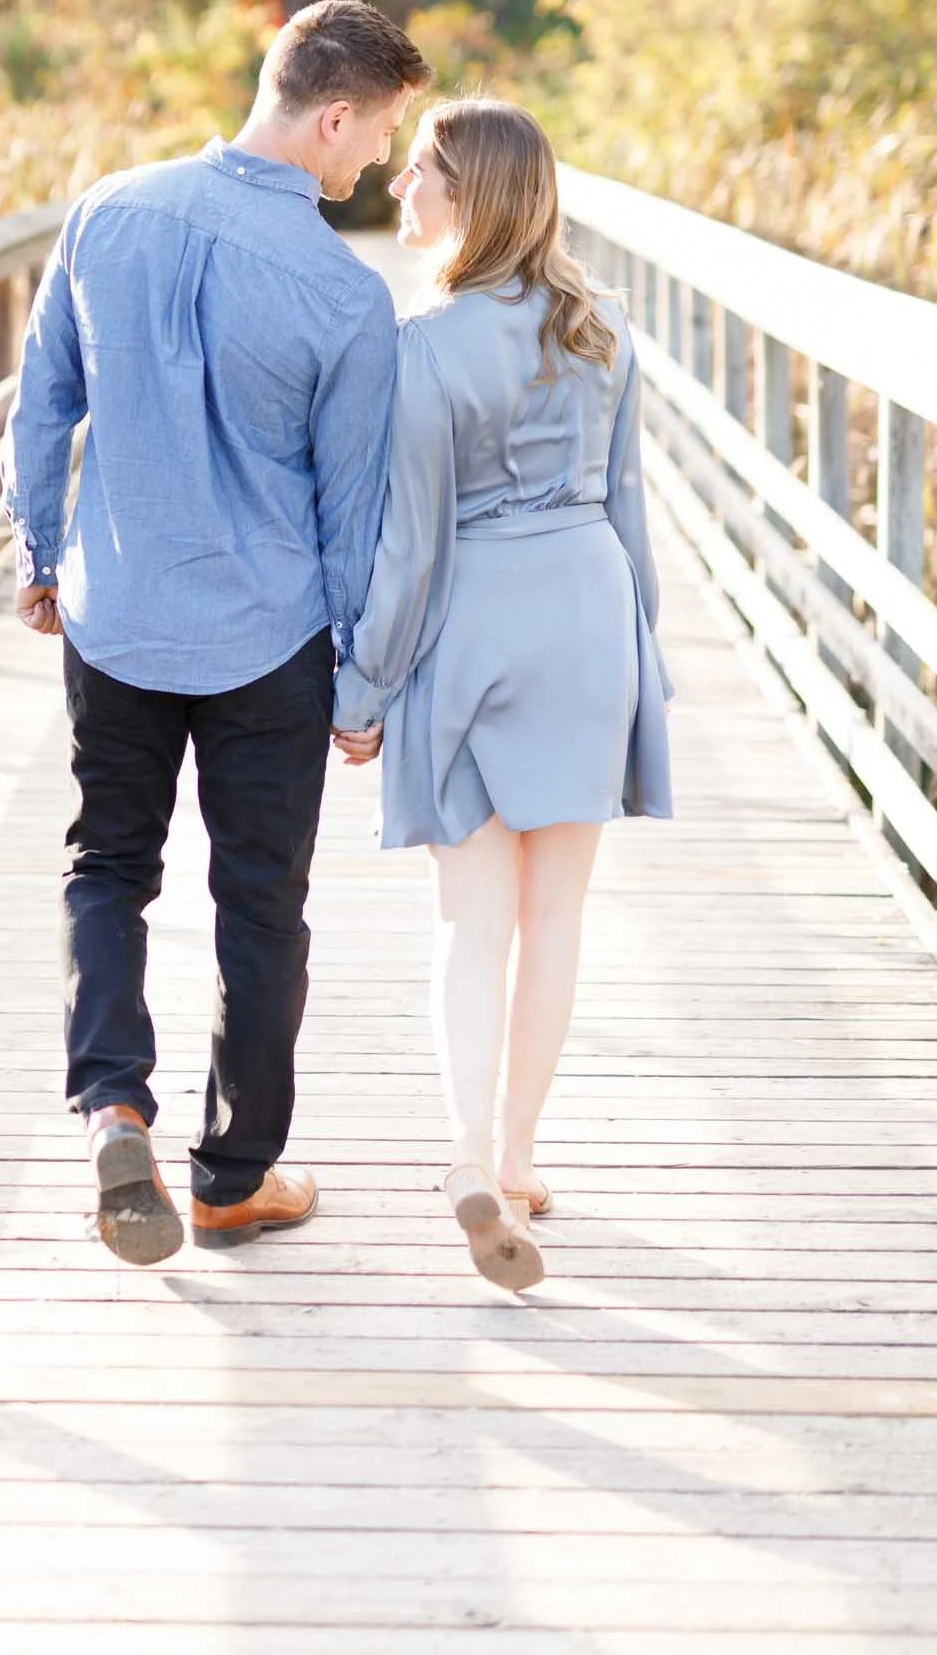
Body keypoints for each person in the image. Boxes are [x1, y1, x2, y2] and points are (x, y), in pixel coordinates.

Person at [1, 0, 431, 1266]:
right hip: (268, 639)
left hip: (117, 610)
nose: (369, 169)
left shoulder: (106, 208)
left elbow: (43, 402)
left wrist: (36, 550)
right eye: (373, 138)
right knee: (258, 903)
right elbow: (350, 508)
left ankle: (111, 1105)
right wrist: (358, 677)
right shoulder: (344, 296)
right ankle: (233, 1177)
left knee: (106, 866)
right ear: (332, 113)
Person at [331, 99, 673, 1292]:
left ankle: (469, 1153)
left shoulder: (422, 346)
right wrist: (647, 665)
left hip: (471, 622)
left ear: (470, 195)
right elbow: (629, 513)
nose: (401, 189)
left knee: (468, 919)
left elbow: (409, 544)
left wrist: (361, 687)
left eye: (421, 169)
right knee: (557, 917)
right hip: (587, 614)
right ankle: (521, 1155)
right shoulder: (605, 330)